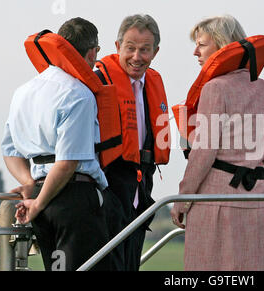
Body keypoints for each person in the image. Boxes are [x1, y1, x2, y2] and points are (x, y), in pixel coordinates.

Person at [170, 15, 264, 271]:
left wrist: (182, 198)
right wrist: (263, 196)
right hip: (253, 199)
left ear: (222, 45)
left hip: (214, 201)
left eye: (201, 44)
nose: (196, 52)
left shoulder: (215, 88)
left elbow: (204, 152)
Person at [1, 17, 111, 271]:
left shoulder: (23, 92)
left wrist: (31, 186)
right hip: (72, 199)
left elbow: (9, 151)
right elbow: (68, 161)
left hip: (40, 193)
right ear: (93, 51)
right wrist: (37, 205)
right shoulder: (78, 94)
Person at [94, 14, 170, 271]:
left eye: (145, 50)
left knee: (131, 263)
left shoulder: (154, 83)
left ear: (156, 52)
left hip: (141, 188)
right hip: (108, 185)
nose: (137, 57)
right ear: (117, 47)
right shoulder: (98, 82)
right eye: (130, 48)